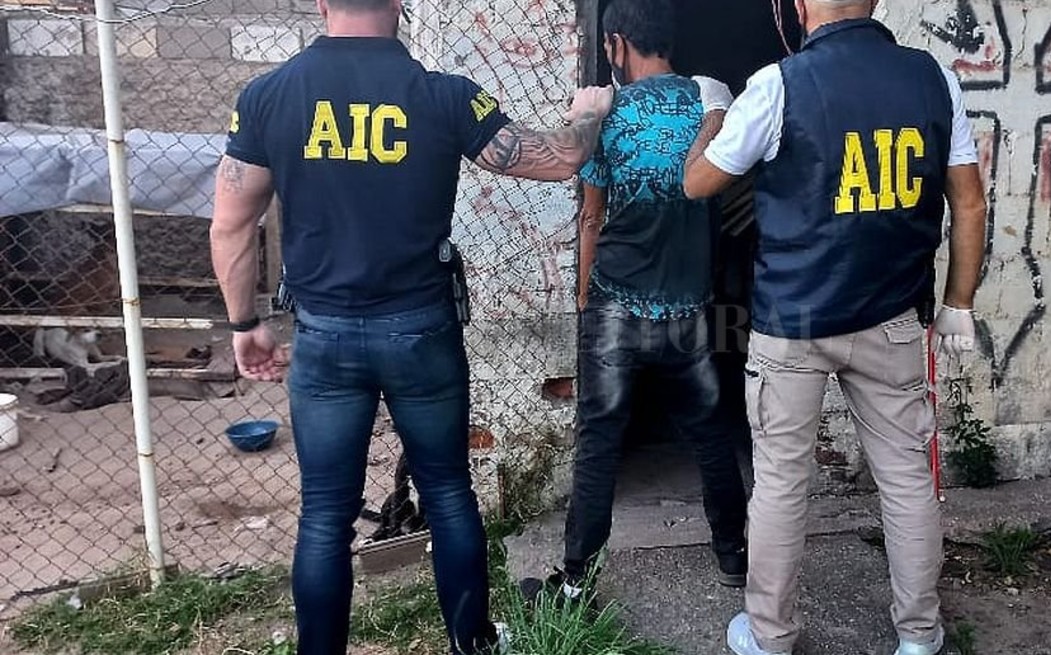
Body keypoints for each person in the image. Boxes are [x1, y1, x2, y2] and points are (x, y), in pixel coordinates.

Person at [208, 0, 612, 651]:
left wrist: (244, 323)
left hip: (325, 336)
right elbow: (562, 158)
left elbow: (231, 224)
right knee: (448, 493)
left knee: (324, 516)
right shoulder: (444, 96)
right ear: (398, 2)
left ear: (322, 2)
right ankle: (472, 642)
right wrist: (589, 111)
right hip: (420, 331)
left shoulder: (268, 95)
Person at [682, 1, 988, 654]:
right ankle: (919, 635)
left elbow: (699, 182)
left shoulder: (778, 84)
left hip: (793, 322)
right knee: (905, 477)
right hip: (892, 316)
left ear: (797, 7)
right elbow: (968, 200)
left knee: (781, 483)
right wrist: (958, 301)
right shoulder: (933, 78)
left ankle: (769, 636)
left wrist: (714, 110)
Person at [542, 0, 750, 598]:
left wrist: (584, 299)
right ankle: (733, 556)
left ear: (615, 44)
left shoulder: (607, 114)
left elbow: (591, 217)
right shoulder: (710, 106)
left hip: (616, 302)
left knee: (599, 441)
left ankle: (576, 583)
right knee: (711, 431)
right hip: (690, 307)